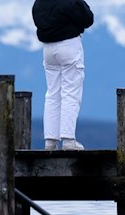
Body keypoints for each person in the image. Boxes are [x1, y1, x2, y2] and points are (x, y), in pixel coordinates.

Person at [32, 0, 94, 151]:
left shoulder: (39, 3)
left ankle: (50, 141)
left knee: (52, 94)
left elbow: (37, 19)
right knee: (70, 93)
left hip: (48, 49)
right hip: (69, 46)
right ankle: (68, 140)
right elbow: (87, 18)